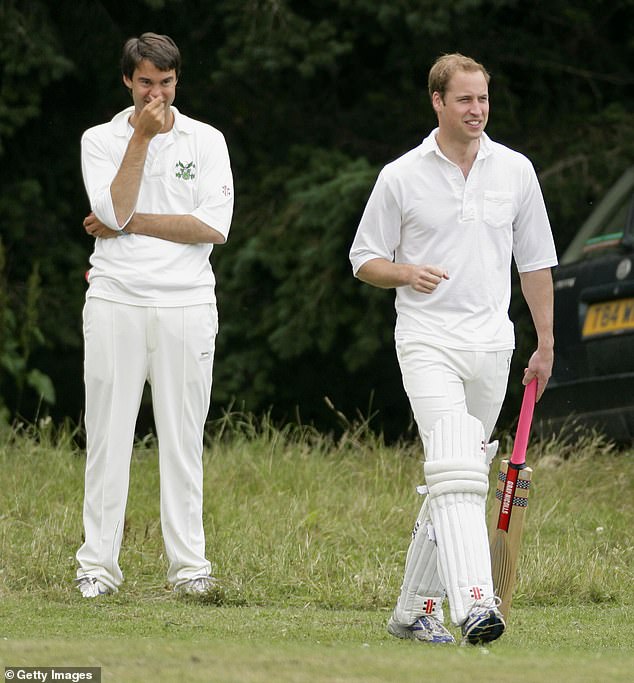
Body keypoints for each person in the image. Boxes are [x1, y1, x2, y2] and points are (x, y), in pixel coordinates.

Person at [349, 53, 557, 644]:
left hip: (492, 345)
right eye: (465, 99)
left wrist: (545, 343)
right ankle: (474, 604)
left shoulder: (515, 170)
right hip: (427, 340)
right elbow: (364, 259)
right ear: (437, 102)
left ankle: (412, 611)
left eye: (484, 99)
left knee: (455, 477)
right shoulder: (401, 175)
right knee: (458, 470)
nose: (477, 110)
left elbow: (536, 262)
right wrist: (406, 272)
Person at [76, 33, 234, 598]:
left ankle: (190, 570)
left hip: (187, 302)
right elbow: (110, 207)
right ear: (128, 81)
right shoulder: (100, 139)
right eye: (146, 83)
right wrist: (140, 138)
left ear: (176, 81)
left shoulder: (207, 140)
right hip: (116, 297)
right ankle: (97, 569)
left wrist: (128, 222)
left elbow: (212, 227)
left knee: (183, 439)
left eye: (165, 84)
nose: (156, 95)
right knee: (107, 437)